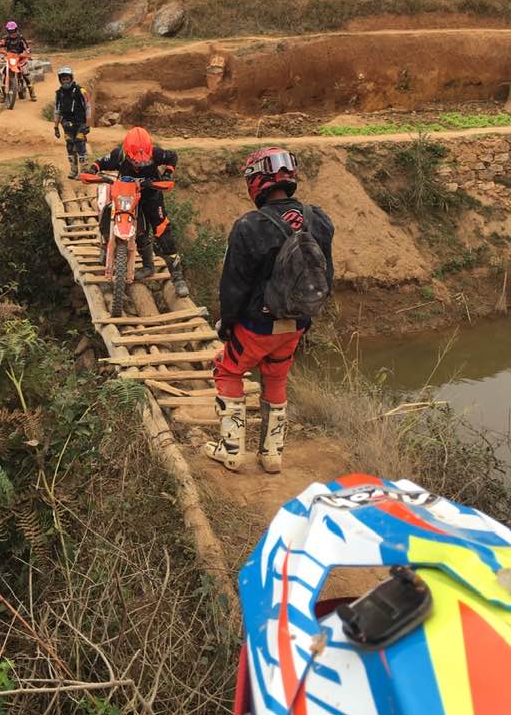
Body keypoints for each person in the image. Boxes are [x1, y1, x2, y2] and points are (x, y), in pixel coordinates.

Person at [206, 147, 334, 474]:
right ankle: (272, 454)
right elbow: (326, 275)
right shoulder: (318, 219)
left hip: (256, 327)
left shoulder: (249, 226)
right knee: (276, 378)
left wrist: (227, 325)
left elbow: (233, 286)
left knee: (227, 370)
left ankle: (231, 450)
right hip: (295, 324)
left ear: (256, 182)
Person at [86, 126, 189, 298]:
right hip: (126, 195)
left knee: (162, 231)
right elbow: (99, 162)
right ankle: (106, 245)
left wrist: (167, 174)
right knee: (107, 213)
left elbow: (172, 156)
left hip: (151, 195)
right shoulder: (118, 155)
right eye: (135, 161)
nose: (140, 164)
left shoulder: (156, 154)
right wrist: (92, 170)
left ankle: (177, 278)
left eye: (144, 161)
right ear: (127, 153)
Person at [54, 66, 91, 179]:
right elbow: (57, 110)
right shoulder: (59, 93)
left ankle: (84, 170)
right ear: (60, 80)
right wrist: (55, 127)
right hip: (66, 123)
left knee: (80, 143)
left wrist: (87, 125)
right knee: (70, 145)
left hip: (80, 122)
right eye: (63, 79)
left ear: (71, 78)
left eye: (67, 79)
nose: (65, 81)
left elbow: (88, 107)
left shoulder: (81, 91)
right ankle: (73, 170)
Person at [0, 20, 35, 104]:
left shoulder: (21, 38)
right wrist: (1, 49)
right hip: (10, 58)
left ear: (16, 29)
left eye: (13, 30)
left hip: (20, 58)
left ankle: (32, 93)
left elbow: (27, 48)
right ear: (7, 31)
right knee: (4, 74)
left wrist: (26, 52)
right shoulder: (5, 38)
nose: (12, 33)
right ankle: (2, 95)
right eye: (10, 31)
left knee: (25, 74)